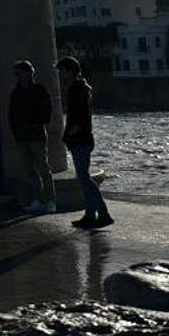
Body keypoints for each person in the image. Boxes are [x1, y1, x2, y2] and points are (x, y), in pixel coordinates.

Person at [56, 55, 112, 229]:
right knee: (84, 178)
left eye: (62, 70)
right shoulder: (79, 88)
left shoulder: (78, 89)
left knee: (84, 178)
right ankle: (90, 215)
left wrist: (71, 133)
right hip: (80, 138)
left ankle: (102, 214)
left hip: (80, 139)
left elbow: (80, 116)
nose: (60, 74)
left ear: (70, 71)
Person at [7, 60, 56, 215]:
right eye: (16, 74)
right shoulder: (16, 92)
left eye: (19, 73)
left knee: (43, 169)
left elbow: (47, 112)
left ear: (29, 73)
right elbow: (11, 114)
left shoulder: (40, 90)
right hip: (21, 136)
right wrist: (15, 131)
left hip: (36, 136)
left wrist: (34, 123)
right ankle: (38, 200)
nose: (17, 77)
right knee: (29, 171)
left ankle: (50, 201)